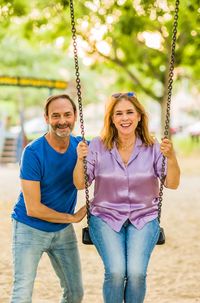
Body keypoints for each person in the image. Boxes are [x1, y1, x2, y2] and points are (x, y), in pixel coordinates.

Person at [73, 92, 180, 303]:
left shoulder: (153, 147)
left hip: (144, 217)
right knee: (115, 272)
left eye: (130, 112)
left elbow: (172, 183)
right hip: (105, 216)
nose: (125, 118)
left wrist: (172, 157)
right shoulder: (97, 146)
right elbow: (80, 183)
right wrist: (79, 159)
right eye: (118, 113)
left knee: (136, 274)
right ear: (111, 118)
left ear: (139, 116)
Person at [11, 94, 86, 303]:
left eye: (67, 114)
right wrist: (71, 218)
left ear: (75, 116)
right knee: (22, 293)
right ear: (46, 118)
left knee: (75, 293)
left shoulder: (81, 147)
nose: (62, 120)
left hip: (62, 230)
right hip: (29, 227)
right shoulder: (33, 152)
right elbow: (33, 208)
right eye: (55, 116)